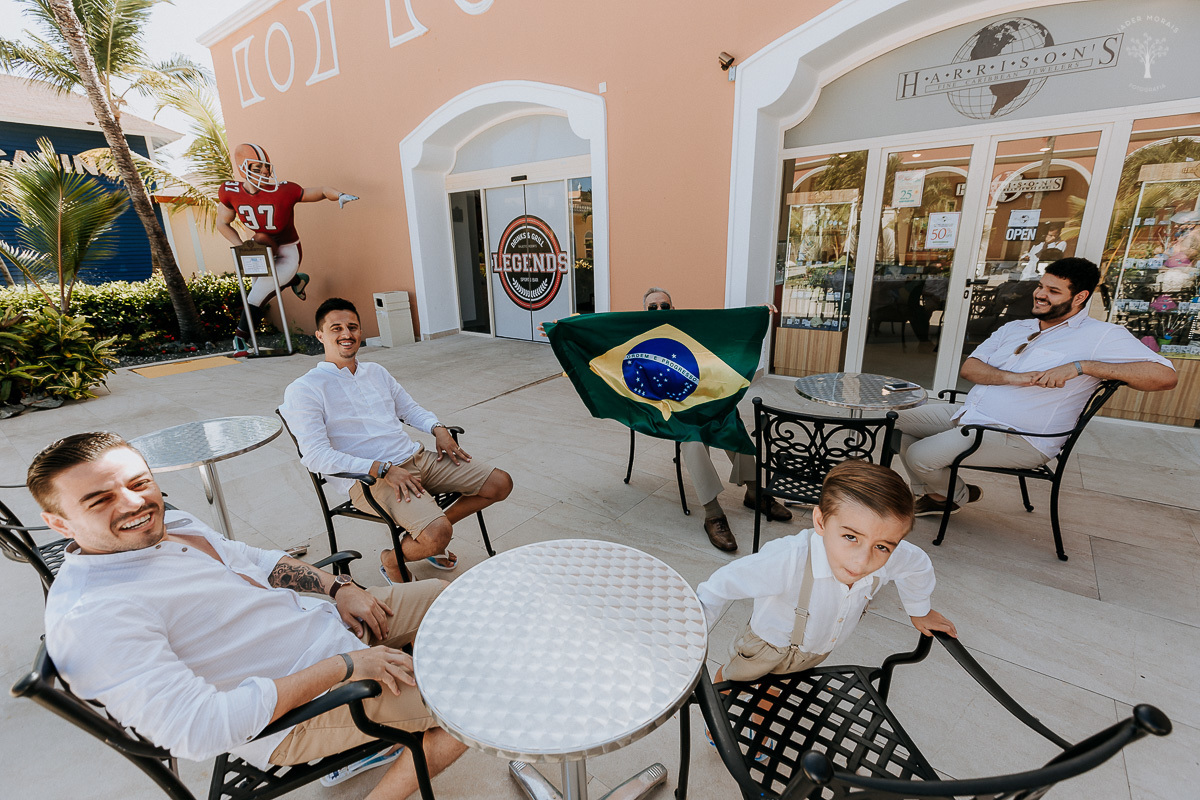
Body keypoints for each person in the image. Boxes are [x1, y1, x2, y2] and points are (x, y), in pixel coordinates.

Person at [32, 432, 465, 796]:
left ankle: (383, 734)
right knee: (471, 704)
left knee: (446, 598)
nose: (133, 504)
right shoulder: (94, 615)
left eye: (139, 482)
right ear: (60, 524)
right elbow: (199, 729)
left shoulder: (168, 526)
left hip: (327, 630)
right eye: (99, 499)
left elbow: (253, 559)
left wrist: (338, 588)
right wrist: (347, 665)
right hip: (297, 713)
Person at [896, 257, 1177, 516]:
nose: (1040, 294)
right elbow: (971, 368)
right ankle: (937, 495)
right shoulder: (1016, 328)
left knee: (921, 455)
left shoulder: (1101, 336)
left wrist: (1083, 366)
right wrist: (1014, 377)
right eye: (1041, 286)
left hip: (1020, 436)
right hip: (973, 414)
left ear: (1080, 297)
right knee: (896, 423)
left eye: (1053, 291)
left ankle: (955, 494)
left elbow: (1165, 377)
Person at [280, 298, 513, 581]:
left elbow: (409, 409)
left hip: (416, 459)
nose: (346, 334)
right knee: (437, 534)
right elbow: (315, 456)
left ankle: (420, 540)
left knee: (500, 483)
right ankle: (392, 559)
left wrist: (437, 428)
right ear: (320, 335)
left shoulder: (376, 372)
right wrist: (382, 469)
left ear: (361, 332)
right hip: (370, 479)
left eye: (352, 327)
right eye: (336, 328)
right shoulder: (305, 389)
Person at [696, 460, 956, 683]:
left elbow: (917, 565)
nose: (863, 560)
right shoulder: (788, 558)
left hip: (817, 649)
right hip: (767, 645)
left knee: (777, 683)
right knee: (736, 678)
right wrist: (691, 641)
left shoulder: (894, 554)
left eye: (881, 547)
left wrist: (919, 609)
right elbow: (719, 586)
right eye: (850, 537)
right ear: (820, 521)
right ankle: (720, 704)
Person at [642, 287, 792, 552]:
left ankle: (756, 493)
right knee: (694, 440)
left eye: (664, 306)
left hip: (703, 400)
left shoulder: (690, 329)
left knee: (731, 421)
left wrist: (754, 314)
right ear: (644, 312)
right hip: (671, 411)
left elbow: (723, 332)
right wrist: (566, 330)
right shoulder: (637, 339)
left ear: (673, 309)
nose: (658, 311)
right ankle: (713, 514)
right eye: (652, 307)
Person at [216, 142, 359, 355]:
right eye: (258, 168)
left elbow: (318, 191)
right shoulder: (231, 192)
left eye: (267, 167)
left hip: (288, 248)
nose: (265, 172)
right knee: (261, 240)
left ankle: (240, 338)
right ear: (243, 170)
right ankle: (296, 280)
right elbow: (222, 223)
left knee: (259, 292)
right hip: (260, 248)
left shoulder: (283, 191)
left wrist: (338, 195)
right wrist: (241, 247)